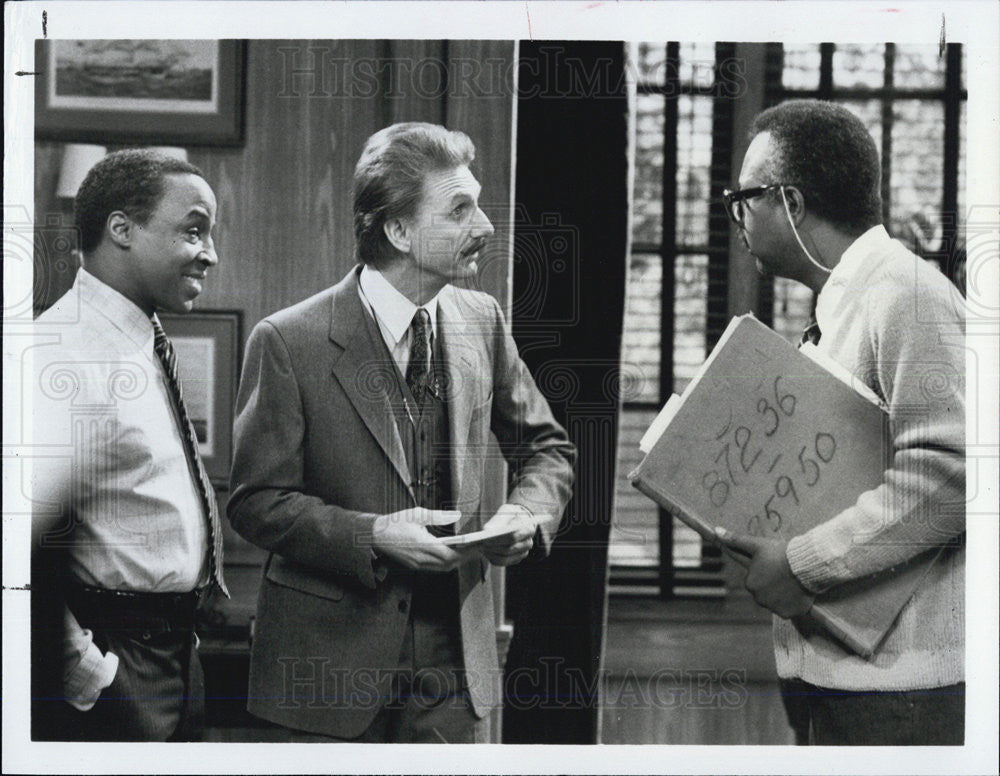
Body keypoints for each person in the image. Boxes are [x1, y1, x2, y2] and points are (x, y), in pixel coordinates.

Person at [228, 122, 575, 743]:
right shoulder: (288, 340)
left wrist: (525, 514)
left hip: (452, 673)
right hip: (324, 673)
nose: (487, 226)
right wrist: (374, 535)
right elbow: (256, 504)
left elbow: (548, 448)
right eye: (460, 209)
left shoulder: (482, 320)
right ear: (398, 231)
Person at [715, 100, 965, 745]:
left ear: (790, 201)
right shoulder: (851, 296)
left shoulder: (906, 294)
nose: (737, 218)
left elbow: (955, 474)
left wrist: (800, 563)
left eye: (743, 197)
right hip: (844, 672)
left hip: (905, 688)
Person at [31, 149, 226, 741]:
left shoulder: (145, 344)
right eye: (193, 230)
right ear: (121, 229)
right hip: (114, 669)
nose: (210, 253)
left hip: (177, 656)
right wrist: (91, 676)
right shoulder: (57, 355)